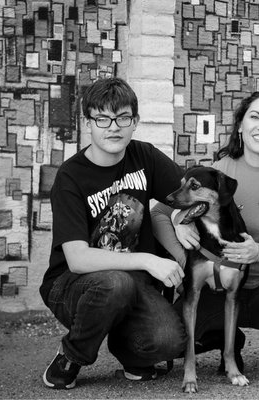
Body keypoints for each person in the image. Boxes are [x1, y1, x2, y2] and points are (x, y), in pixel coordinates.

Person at [151, 91, 259, 386]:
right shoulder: (217, 173)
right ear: (241, 126)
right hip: (214, 291)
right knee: (160, 342)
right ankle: (226, 341)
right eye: (254, 117)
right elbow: (157, 215)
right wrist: (180, 232)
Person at [39, 77, 187, 390]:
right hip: (72, 286)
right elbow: (77, 259)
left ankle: (127, 348)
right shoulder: (70, 177)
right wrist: (149, 260)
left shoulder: (144, 157)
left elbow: (188, 191)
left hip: (131, 283)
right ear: (87, 123)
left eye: (122, 118)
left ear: (135, 122)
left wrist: (181, 218)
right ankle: (72, 355)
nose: (113, 127)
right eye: (102, 118)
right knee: (114, 282)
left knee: (170, 341)